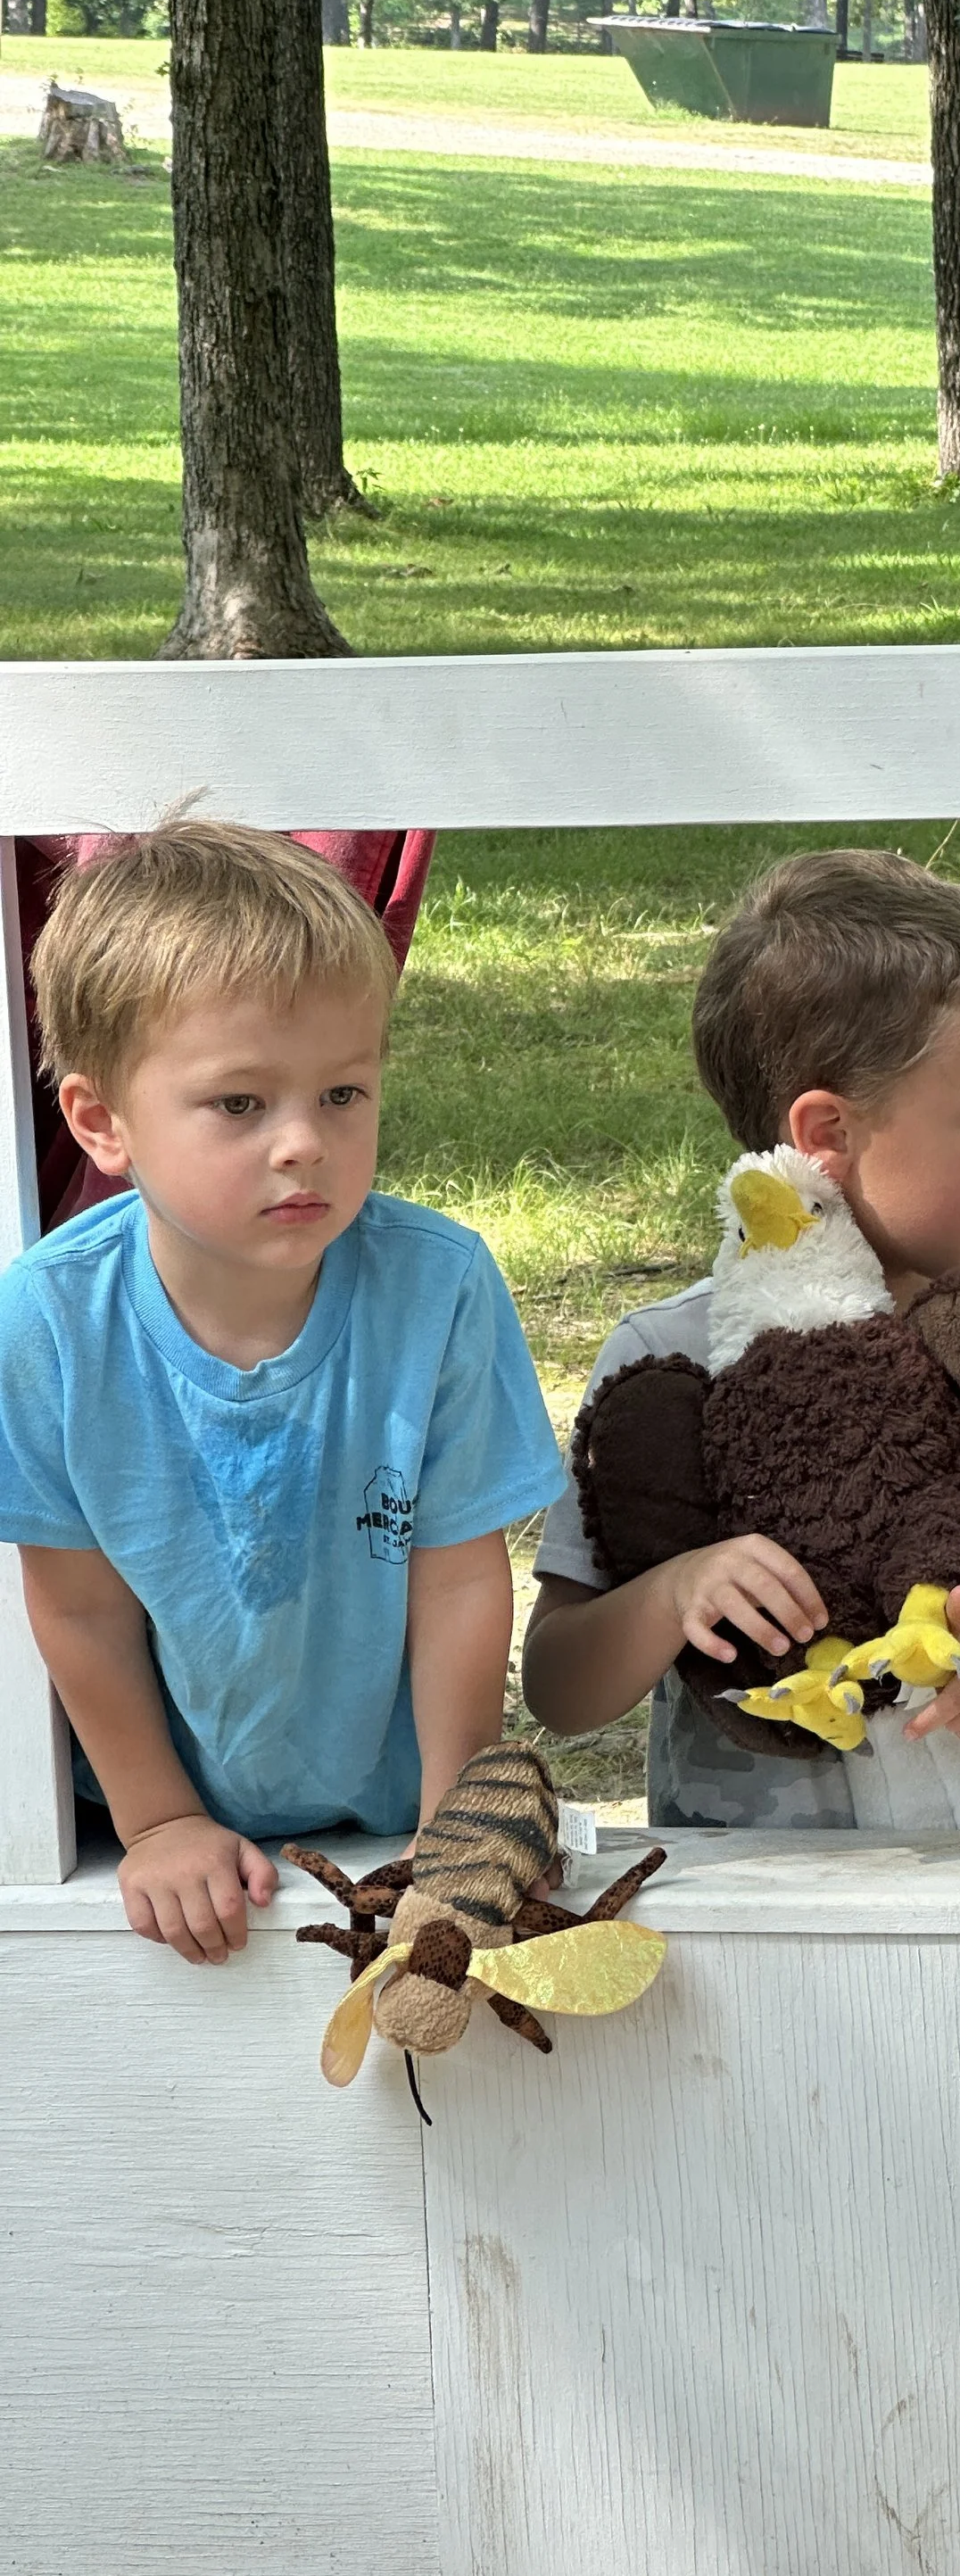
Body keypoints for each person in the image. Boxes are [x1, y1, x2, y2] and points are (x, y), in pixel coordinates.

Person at [0, 822, 563, 1963]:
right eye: (241, 1104)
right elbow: (80, 1607)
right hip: (164, 1809)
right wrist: (159, 1820)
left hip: (397, 1794)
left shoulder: (438, 1288)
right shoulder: (51, 1320)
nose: (304, 1143)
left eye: (344, 1092)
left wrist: (457, 1828)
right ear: (101, 1121)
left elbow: (460, 1577)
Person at [523, 849, 960, 1828]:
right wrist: (674, 1592)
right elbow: (559, 1687)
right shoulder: (667, 1361)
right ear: (829, 1133)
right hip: (749, 1914)